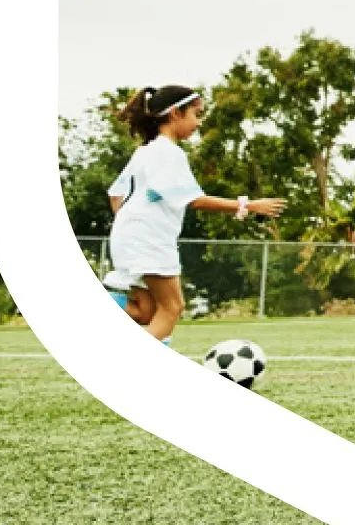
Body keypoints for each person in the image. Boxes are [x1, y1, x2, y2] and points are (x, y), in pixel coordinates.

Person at [103, 86, 286, 346]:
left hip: (128, 237)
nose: (199, 123)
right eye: (196, 114)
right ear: (176, 112)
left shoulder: (145, 152)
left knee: (146, 311)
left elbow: (115, 195)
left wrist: (130, 224)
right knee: (172, 308)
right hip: (148, 239)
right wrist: (248, 205)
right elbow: (194, 200)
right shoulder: (168, 153)